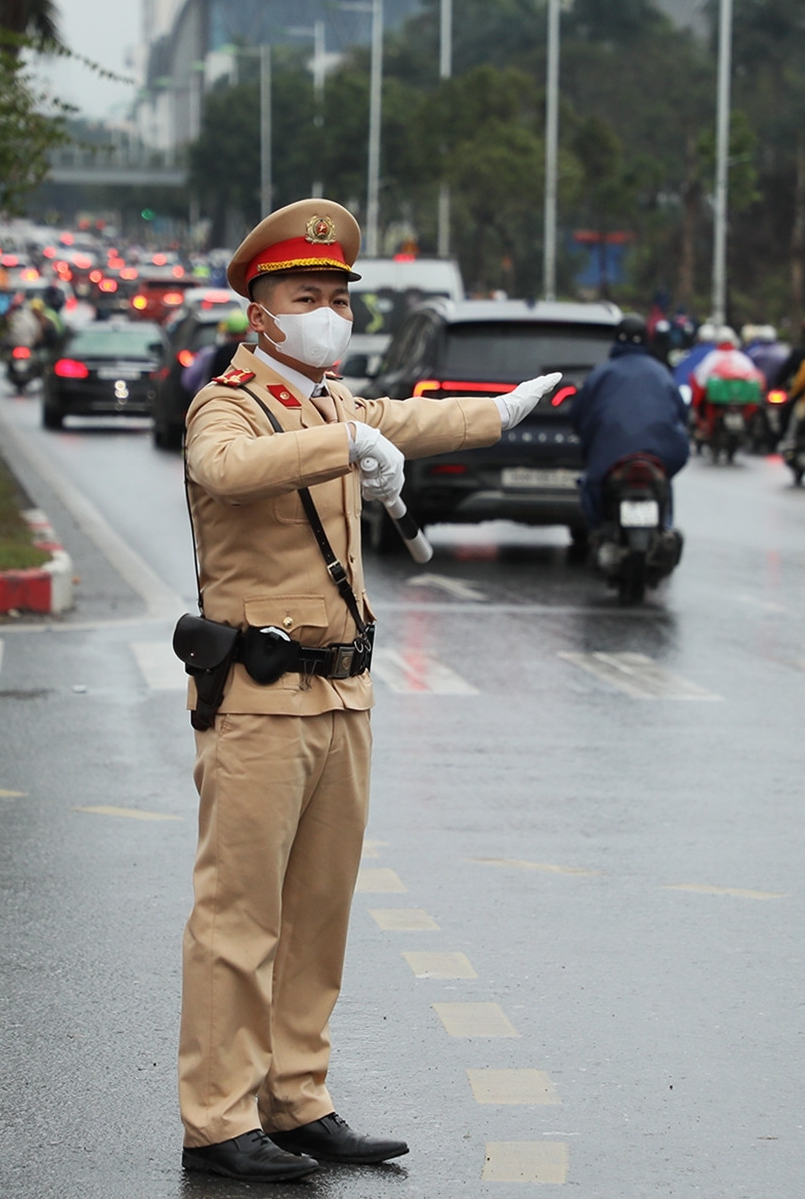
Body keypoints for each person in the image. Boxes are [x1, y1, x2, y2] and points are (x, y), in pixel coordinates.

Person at [176, 199, 557, 1183]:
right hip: (259, 693)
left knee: (320, 913)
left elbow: (404, 420)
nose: (329, 313)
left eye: (339, 296)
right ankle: (218, 1115)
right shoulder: (233, 403)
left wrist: (501, 411)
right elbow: (224, 469)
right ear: (260, 313)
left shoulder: (333, 405)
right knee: (239, 916)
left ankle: (296, 1097)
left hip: (342, 695)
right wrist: (341, 447)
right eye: (308, 296)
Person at [573, 314, 691, 526]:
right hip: (663, 454)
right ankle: (665, 526)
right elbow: (682, 414)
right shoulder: (661, 373)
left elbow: (579, 414)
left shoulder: (601, 374)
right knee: (665, 485)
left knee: (591, 488)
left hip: (611, 455)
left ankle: (600, 532)